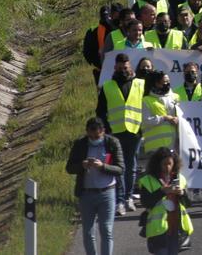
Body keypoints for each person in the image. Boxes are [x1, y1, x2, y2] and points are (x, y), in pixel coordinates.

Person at [66, 117, 123, 255]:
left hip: (107, 192)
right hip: (86, 194)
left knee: (106, 229)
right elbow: (69, 168)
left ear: (103, 131)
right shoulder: (80, 144)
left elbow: (120, 169)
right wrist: (82, 165)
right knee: (88, 231)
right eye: (90, 135)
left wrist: (102, 166)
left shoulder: (112, 143)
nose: (93, 138)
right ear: (86, 132)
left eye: (96, 135)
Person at [95, 53, 141, 215]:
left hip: (135, 132)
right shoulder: (107, 86)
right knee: (119, 168)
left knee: (132, 166)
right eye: (120, 68)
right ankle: (120, 200)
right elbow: (100, 111)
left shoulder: (140, 84)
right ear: (115, 68)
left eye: (125, 68)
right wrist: (105, 131)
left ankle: (128, 197)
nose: (123, 70)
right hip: (115, 132)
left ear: (130, 68)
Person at [136, 147, 192, 255]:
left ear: (174, 163)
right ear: (157, 164)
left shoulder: (181, 179)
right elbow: (146, 202)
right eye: (164, 164)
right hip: (158, 230)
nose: (167, 167)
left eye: (169, 164)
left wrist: (183, 194)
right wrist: (162, 191)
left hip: (177, 227)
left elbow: (188, 203)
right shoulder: (147, 180)